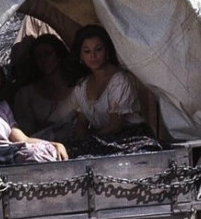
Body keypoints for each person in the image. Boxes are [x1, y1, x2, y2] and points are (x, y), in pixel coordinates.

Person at [67, 24, 160, 157]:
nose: (93, 56)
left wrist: (90, 140)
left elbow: (116, 125)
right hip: (100, 138)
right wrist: (80, 141)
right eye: (87, 51)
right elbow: (82, 122)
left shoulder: (119, 80)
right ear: (81, 55)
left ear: (107, 51)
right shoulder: (81, 86)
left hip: (130, 139)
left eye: (98, 49)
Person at [12, 33, 79, 142]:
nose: (43, 60)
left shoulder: (79, 88)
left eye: (48, 54)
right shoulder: (26, 94)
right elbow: (25, 134)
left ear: (59, 55)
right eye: (38, 57)